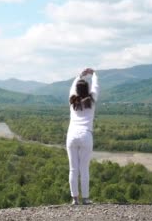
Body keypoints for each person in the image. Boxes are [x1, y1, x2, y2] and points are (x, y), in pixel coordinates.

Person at [66, 67, 99, 205]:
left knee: (73, 168)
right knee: (84, 168)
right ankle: (85, 198)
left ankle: (75, 199)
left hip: (72, 135)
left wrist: (80, 75)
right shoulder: (92, 100)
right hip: (86, 135)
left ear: (77, 90)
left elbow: (73, 87)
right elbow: (96, 86)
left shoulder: (72, 100)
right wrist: (94, 74)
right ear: (88, 89)